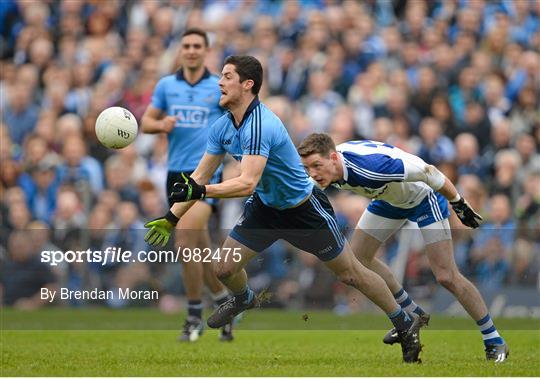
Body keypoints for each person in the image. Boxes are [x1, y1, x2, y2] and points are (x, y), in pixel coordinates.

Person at [144, 55, 424, 363]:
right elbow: (197, 177)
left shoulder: (261, 125)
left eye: (226, 77)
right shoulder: (222, 127)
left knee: (352, 274)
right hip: (265, 208)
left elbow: (246, 182)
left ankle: (403, 322)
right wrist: (172, 217)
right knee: (223, 268)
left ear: (247, 84)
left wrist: (201, 191)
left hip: (303, 209)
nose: (219, 82)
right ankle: (244, 298)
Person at [297, 133, 509, 362]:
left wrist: (458, 202)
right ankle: (412, 314)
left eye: (317, 166)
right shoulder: (326, 169)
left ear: (334, 158)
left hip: (423, 198)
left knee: (446, 276)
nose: (313, 174)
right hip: (389, 200)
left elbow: (430, 172)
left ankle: (494, 339)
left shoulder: (375, 166)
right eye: (308, 167)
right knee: (356, 259)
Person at [140, 28, 233, 342]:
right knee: (201, 251)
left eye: (197, 46)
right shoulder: (167, 85)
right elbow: (146, 122)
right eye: (186, 46)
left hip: (205, 176)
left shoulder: (217, 86)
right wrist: (160, 125)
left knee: (183, 241)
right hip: (174, 174)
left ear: (206, 50)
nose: (191, 50)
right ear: (180, 51)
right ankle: (225, 303)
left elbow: (236, 121)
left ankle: (194, 316)